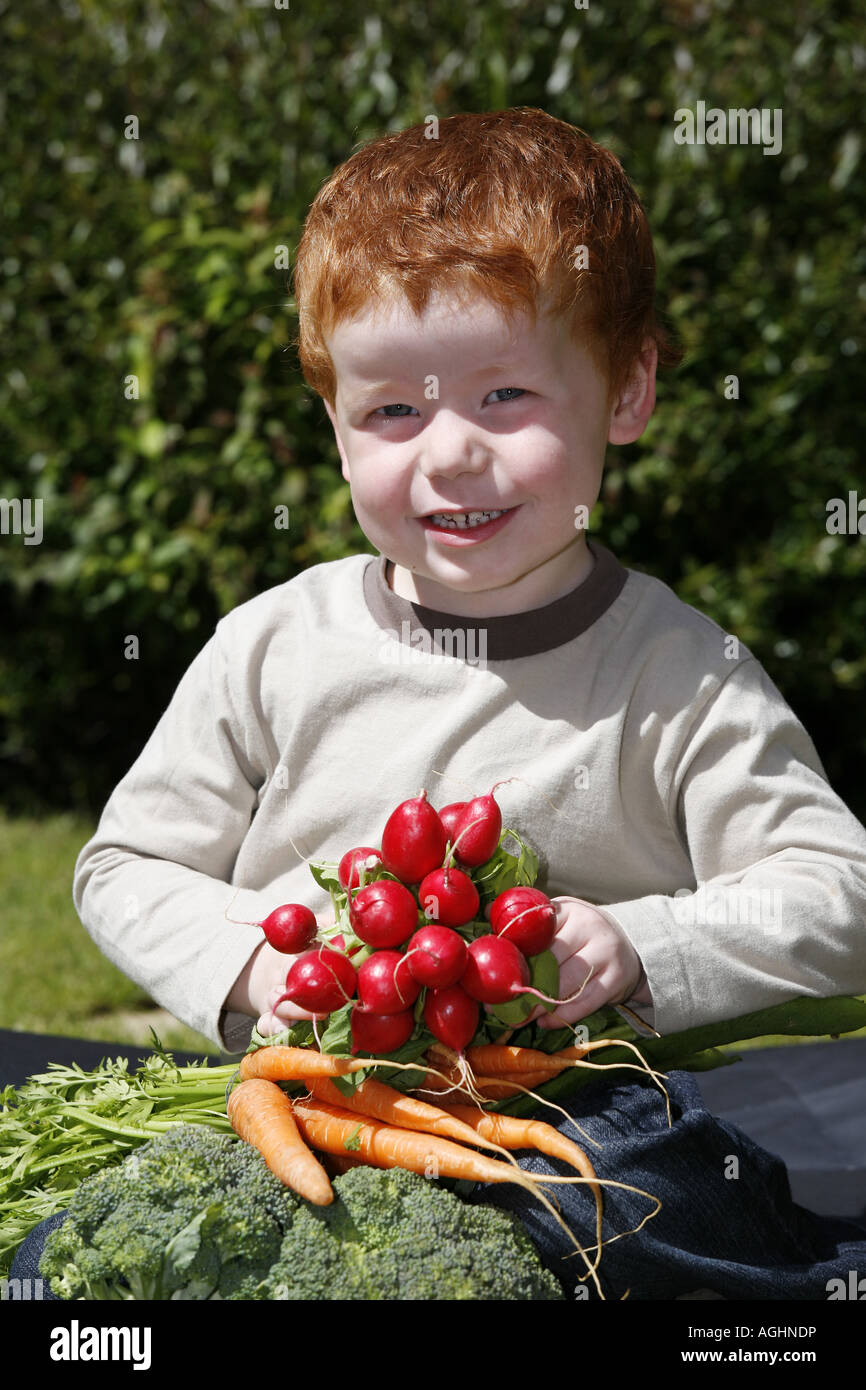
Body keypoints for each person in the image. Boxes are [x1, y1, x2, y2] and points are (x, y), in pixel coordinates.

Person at [44, 108, 866, 1298]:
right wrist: (256, 973)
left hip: (560, 1118)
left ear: (625, 390)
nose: (448, 455)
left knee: (651, 1200)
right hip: (299, 1099)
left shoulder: (675, 672)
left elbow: (836, 890)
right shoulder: (273, 646)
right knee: (78, 1254)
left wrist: (642, 944)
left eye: (504, 397)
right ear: (332, 424)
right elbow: (121, 866)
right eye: (392, 411)